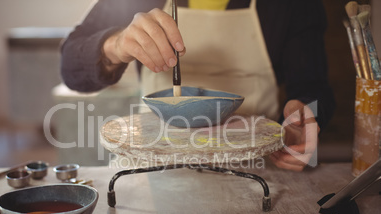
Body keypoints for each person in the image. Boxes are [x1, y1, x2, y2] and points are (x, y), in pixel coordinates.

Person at [60, 0, 335, 171]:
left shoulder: (294, 4)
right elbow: (71, 70)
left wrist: (305, 114)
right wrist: (115, 46)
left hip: (255, 171)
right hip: (154, 168)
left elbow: (314, 87)